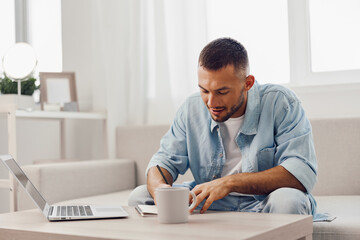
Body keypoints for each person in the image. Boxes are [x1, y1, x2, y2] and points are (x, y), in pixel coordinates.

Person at [128, 37, 317, 216]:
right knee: (141, 196)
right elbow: (163, 161)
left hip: (264, 201)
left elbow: (299, 172)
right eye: (204, 90)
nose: (211, 102)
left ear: (247, 83)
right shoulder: (191, 108)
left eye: (222, 91)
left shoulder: (280, 102)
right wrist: (161, 189)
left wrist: (229, 183)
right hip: (208, 201)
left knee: (289, 200)